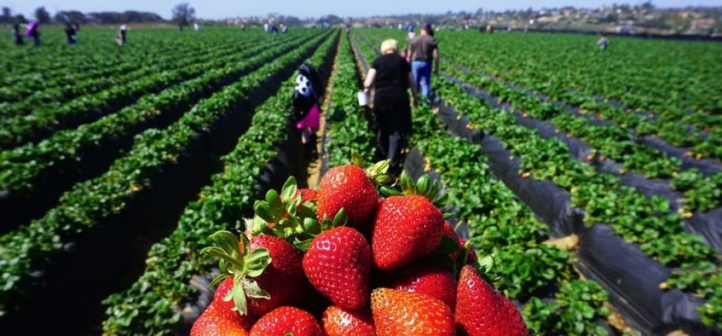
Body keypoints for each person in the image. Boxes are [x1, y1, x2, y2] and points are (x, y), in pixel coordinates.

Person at [363, 39, 418, 178]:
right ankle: (392, 164)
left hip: (381, 98)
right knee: (396, 130)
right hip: (399, 98)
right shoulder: (402, 61)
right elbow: (412, 82)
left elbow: (368, 83)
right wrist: (415, 97)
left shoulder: (378, 61)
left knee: (383, 127)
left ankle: (383, 158)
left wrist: (366, 94)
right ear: (395, 48)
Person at [292, 64, 323, 159]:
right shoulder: (313, 79)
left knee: (304, 132)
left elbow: (296, 97)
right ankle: (314, 151)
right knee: (312, 130)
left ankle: (307, 154)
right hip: (312, 109)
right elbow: (319, 96)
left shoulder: (300, 79)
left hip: (302, 111)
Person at [409, 24, 439, 100]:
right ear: (428, 30)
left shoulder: (415, 39)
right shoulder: (431, 40)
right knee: (425, 83)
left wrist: (408, 65)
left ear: (421, 29)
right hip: (426, 62)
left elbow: (409, 54)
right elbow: (436, 55)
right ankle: (424, 102)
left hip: (415, 63)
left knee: (415, 82)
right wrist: (436, 67)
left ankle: (415, 100)